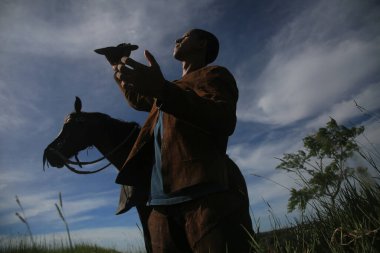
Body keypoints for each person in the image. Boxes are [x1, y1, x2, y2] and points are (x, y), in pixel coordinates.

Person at [113, 29, 254, 252]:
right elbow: (137, 98)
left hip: (205, 196)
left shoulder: (213, 74)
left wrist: (162, 89)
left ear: (202, 44)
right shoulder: (169, 89)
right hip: (158, 206)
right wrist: (117, 64)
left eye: (187, 36)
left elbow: (224, 119)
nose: (178, 39)